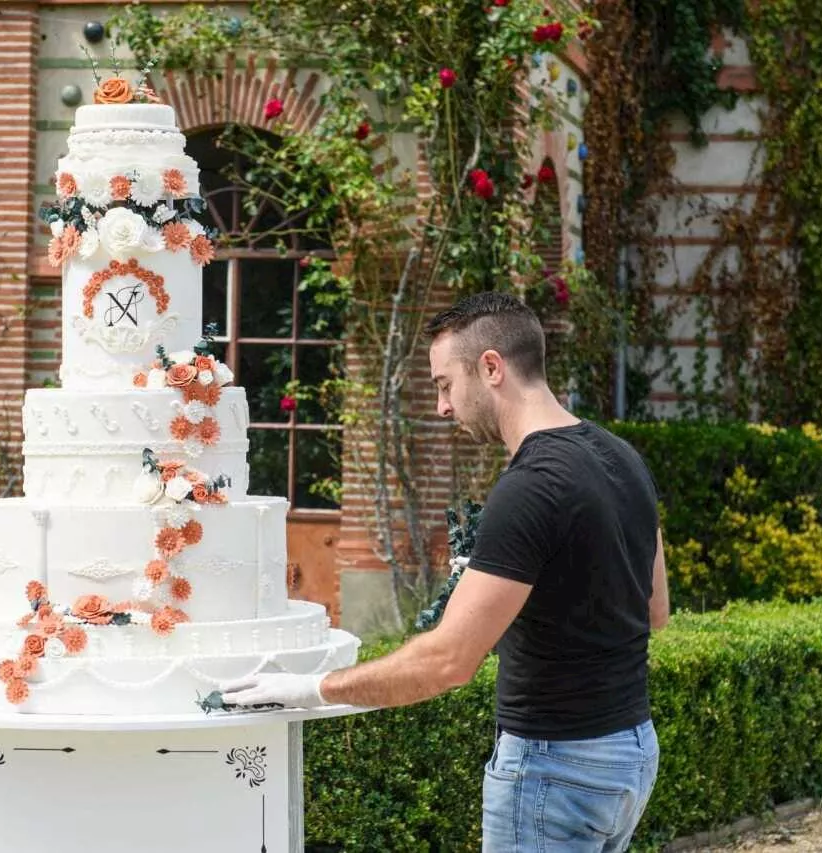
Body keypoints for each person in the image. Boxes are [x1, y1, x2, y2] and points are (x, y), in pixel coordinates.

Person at [219, 291, 670, 852]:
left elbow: (448, 661)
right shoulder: (623, 458)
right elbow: (655, 612)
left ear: (491, 368)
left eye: (443, 384)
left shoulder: (530, 488)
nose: (442, 406)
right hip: (629, 753)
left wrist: (309, 690)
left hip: (555, 768)